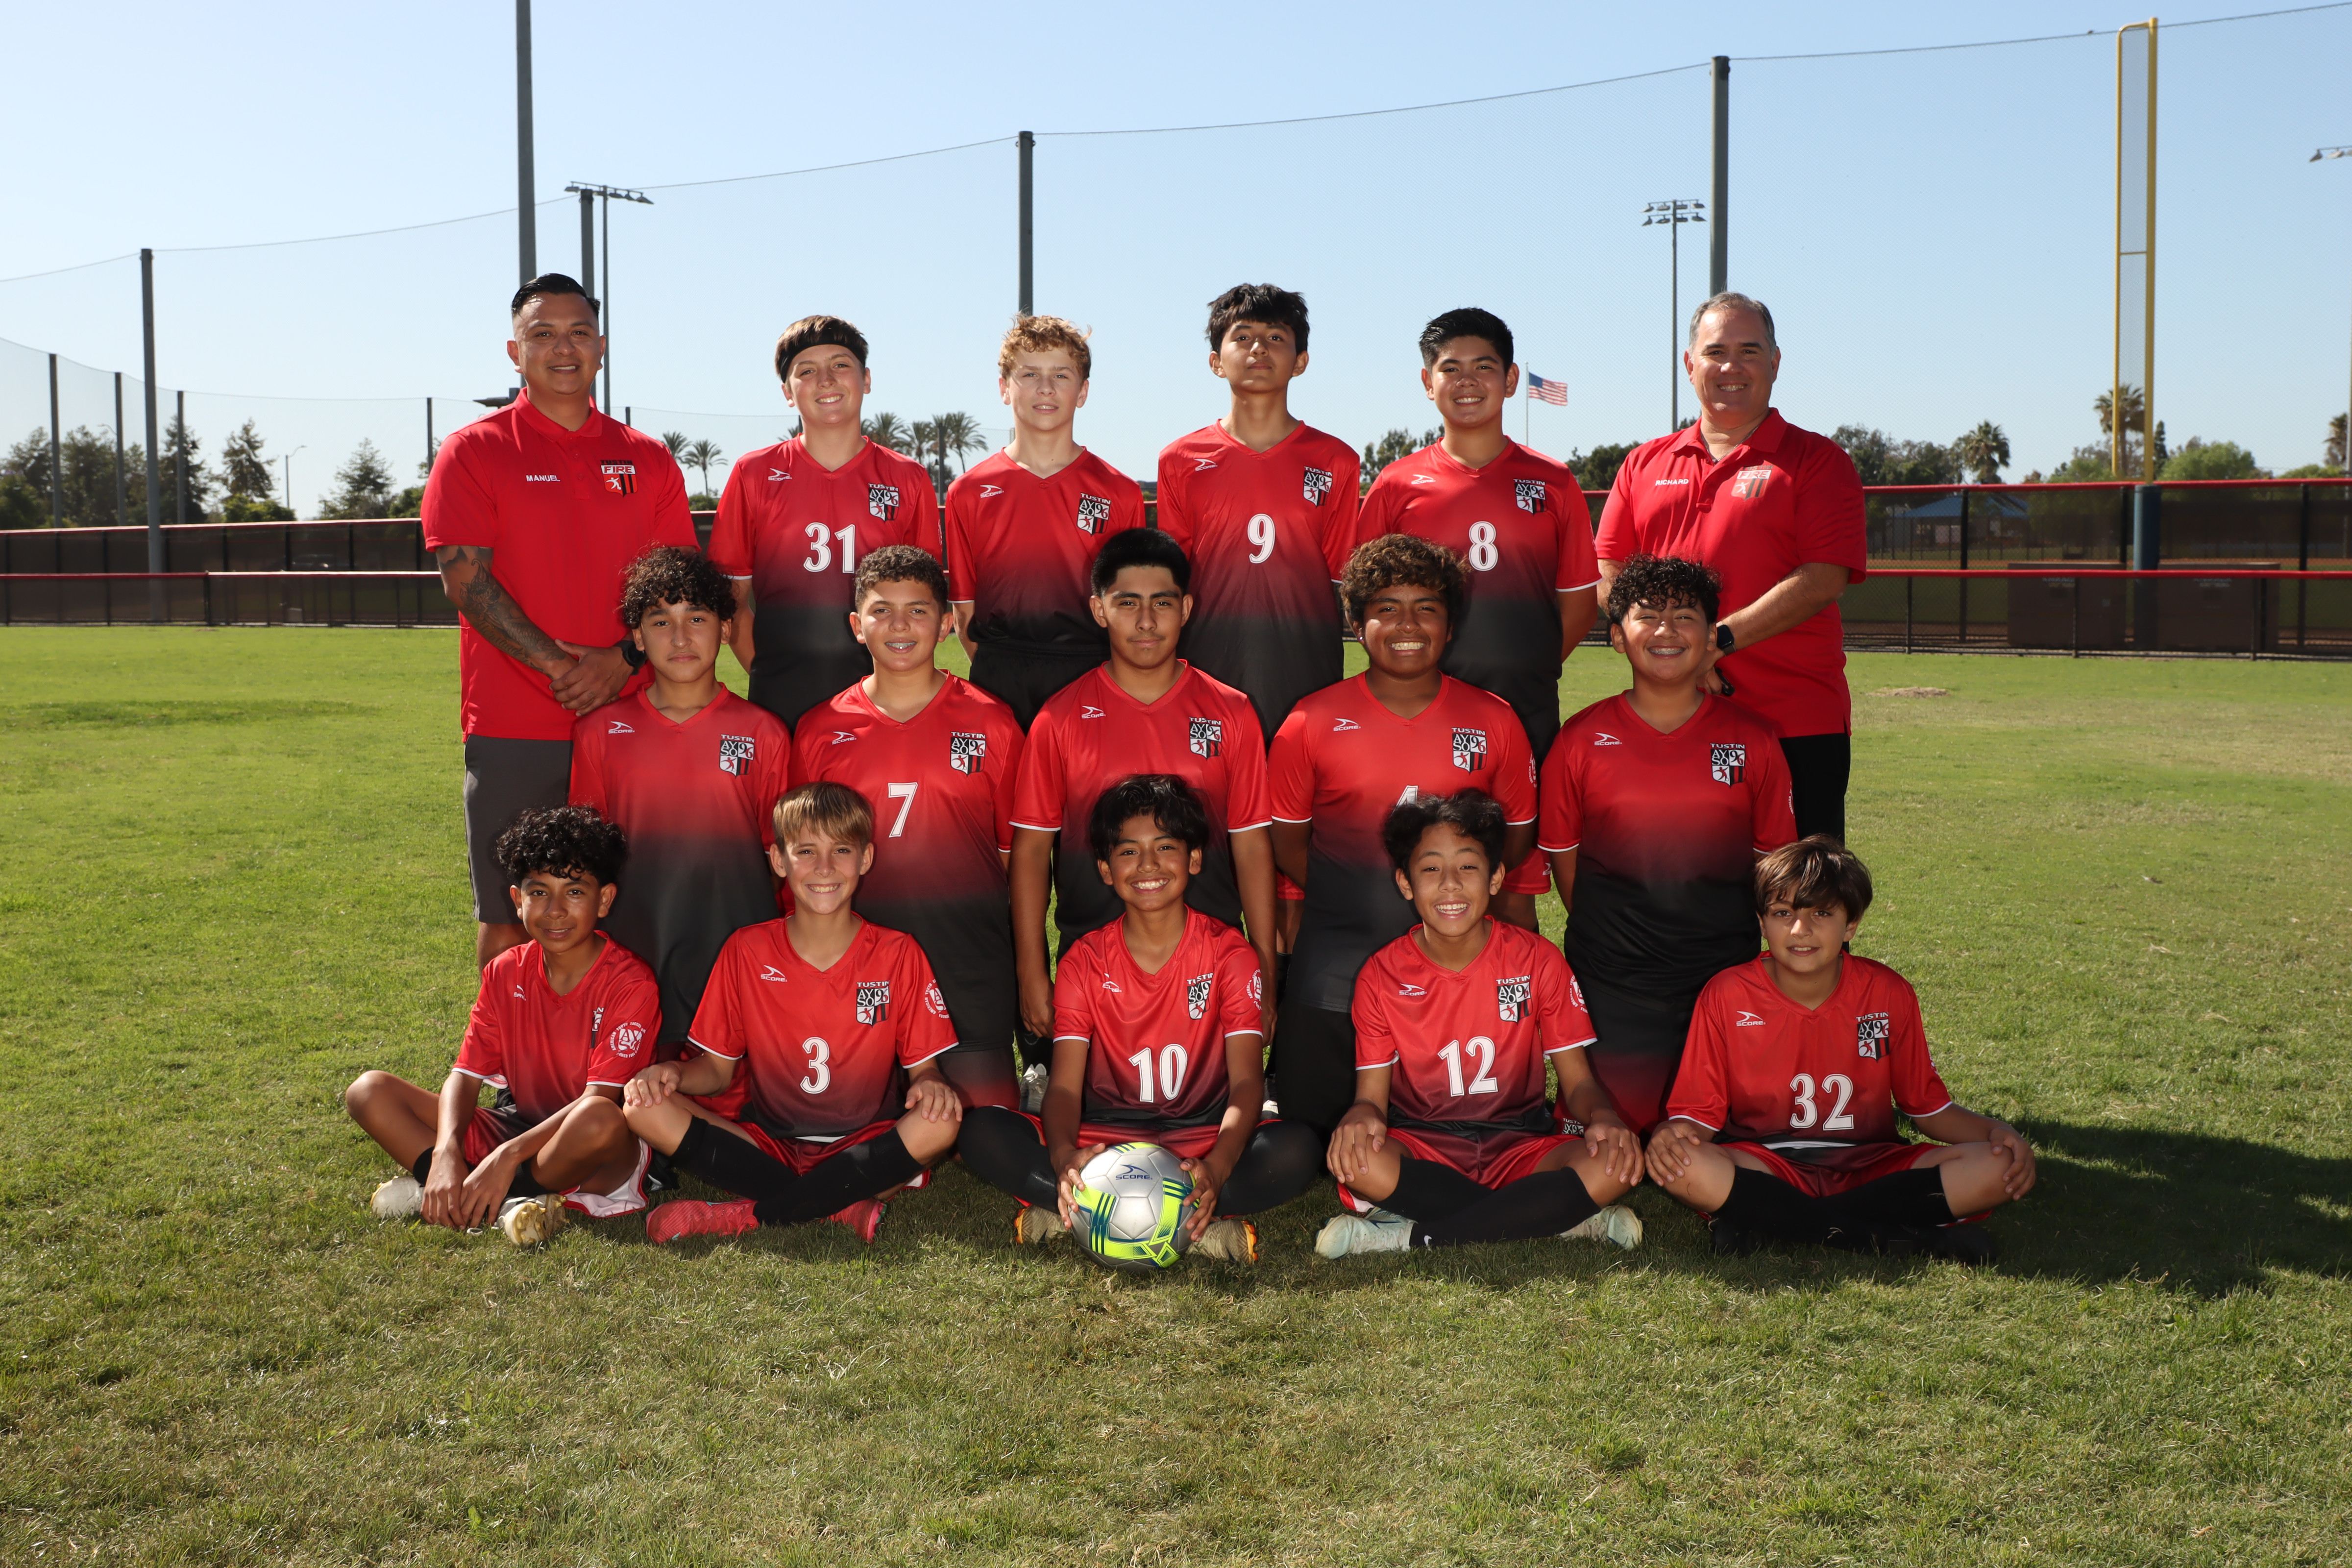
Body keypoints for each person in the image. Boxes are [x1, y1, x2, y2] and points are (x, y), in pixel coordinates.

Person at [424, 273, 697, 969]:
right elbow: (465, 580)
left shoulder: (647, 457)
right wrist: (563, 667)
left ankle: (626, 1042)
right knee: (514, 913)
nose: (563, 348)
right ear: (514, 352)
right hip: (516, 725)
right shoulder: (474, 449)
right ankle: (511, 1046)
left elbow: (679, 584)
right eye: (542, 334)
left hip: (637, 717)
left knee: (637, 907)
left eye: (578, 332)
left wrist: (623, 661)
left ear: (601, 347)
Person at [960, 776, 1322, 1262]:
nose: (1148, 864)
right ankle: (1191, 1223)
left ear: (1194, 859)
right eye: (1128, 851)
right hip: (1105, 1135)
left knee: (1298, 1147)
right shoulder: (1085, 960)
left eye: (1165, 847)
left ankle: (1086, 1213)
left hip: (1200, 1131)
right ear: (1105, 869)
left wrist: (1217, 1166)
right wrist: (1065, 1157)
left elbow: (1245, 1084)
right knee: (981, 1130)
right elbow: (1064, 1089)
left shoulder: (1231, 954)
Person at [1646, 837, 2036, 1263]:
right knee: (1683, 1165)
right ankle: (1896, 1238)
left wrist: (1996, 1131)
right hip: (1768, 1163)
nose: (1801, 930)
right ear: (1762, 923)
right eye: (1783, 913)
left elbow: (1927, 1108)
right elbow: (1699, 1114)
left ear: (1851, 925)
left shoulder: (1887, 993)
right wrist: (1673, 1135)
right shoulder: (1727, 994)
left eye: (1822, 913)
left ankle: (1770, 1220)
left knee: (1999, 1164)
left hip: (1872, 1166)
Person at [1268, 534, 1540, 1135]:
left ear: (1451, 625)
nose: (1408, 624)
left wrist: (1444, 897)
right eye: (1387, 607)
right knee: (1309, 1131)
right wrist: (1359, 889)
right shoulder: (1309, 720)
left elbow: (1514, 843)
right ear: (1357, 623)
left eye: (1427, 608)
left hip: (1455, 967)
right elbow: (1287, 843)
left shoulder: (1494, 719)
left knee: (1460, 1132)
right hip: (1336, 963)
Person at [621, 783, 963, 1245]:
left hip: (865, 1141)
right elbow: (717, 1074)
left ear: (865, 858)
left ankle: (747, 1215)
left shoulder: (898, 953)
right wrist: (673, 1075)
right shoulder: (747, 950)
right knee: (642, 1107)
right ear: (779, 860)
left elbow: (924, 1071)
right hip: (769, 1144)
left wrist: (932, 1084)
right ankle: (838, 1204)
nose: (824, 867)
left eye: (842, 850)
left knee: (942, 1120)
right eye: (806, 851)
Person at [1313, 789, 1643, 1257]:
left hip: (1521, 1142)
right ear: (1405, 883)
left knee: (1614, 1162)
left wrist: (1604, 1117)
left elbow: (1580, 1083)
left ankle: (1405, 1236)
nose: (1450, 884)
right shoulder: (1381, 974)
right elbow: (1372, 1098)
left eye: (1467, 866)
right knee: (1359, 1161)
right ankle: (1558, 1219)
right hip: (1426, 1144)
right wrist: (1361, 1115)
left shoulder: (1537, 960)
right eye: (1431, 869)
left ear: (1496, 878)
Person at [1594, 293, 1869, 842]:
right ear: (1689, 363)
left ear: (1776, 362)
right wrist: (1679, 653)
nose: (1731, 367)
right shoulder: (1643, 463)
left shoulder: (1818, 461)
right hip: (1673, 718)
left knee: (1800, 886)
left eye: (1749, 351)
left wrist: (1713, 643)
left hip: (1796, 721)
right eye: (1716, 351)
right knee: (1688, 878)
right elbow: (1609, 575)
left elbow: (1824, 577)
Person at [1539, 554, 1798, 1133]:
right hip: (1614, 979)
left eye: (1685, 616)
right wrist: (1619, 936)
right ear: (1617, 636)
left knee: (1725, 1135)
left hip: (1720, 975)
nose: (1667, 630)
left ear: (1710, 636)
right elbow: (1566, 864)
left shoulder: (1754, 739)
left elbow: (1773, 866)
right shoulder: (1580, 741)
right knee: (1612, 1137)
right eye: (1649, 615)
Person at [1010, 528, 1277, 1057]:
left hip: (1210, 963)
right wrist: (1031, 970)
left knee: (1213, 1102)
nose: (1148, 621)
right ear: (1099, 609)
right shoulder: (1059, 718)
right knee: (1091, 1103)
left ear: (1187, 609)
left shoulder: (1232, 711)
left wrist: (1264, 968)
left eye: (1163, 603)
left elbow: (1251, 843)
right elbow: (1032, 851)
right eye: (1128, 603)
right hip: (1093, 962)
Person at [346, 806, 656, 1247]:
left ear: (604, 899)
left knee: (599, 1119)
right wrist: (446, 1152)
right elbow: (466, 1074)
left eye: (574, 892)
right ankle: (486, 1194)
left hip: (589, 1149)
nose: (555, 911)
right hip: (519, 1125)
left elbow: (600, 1099)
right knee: (369, 1091)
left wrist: (506, 1158)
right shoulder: (506, 970)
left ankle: (478, 1195)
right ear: (517, 900)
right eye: (539, 892)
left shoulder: (631, 983)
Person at [793, 545, 1027, 1111]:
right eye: (882, 611)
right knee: (855, 1123)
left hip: (967, 956)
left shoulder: (993, 722)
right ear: (857, 625)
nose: (900, 625)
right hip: (860, 959)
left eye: (918, 610)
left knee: (990, 1124)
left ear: (946, 623)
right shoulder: (821, 729)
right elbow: (804, 864)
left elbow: (1014, 856)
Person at [568, 546, 792, 1054]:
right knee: (643, 1089)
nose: (681, 637)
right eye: (660, 621)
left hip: (736, 959)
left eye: (697, 618)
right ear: (637, 637)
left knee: (731, 1088)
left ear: (726, 629)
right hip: (636, 957)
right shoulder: (600, 732)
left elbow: (781, 861)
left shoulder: (764, 733)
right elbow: (589, 864)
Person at [1356, 306, 1600, 763]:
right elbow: (1364, 603)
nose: (1466, 381)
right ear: (1428, 383)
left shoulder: (1554, 481)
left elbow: (1581, 606)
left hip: (1526, 707)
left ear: (1510, 380)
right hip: (1423, 708)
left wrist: (1526, 664)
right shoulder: (1395, 484)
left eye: (1484, 367)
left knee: (1523, 811)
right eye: (1450, 369)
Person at [707, 315, 945, 731]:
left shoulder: (908, 478)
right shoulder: (754, 474)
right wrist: (769, 673)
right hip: (781, 701)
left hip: (881, 706)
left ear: (866, 379)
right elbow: (732, 603)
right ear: (787, 392)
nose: (826, 379)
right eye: (806, 371)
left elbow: (925, 603)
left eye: (840, 365)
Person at [1154, 283, 1361, 745]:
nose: (1258, 348)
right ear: (1216, 361)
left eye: (1275, 337)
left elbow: (1341, 578)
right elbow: (1172, 581)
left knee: (1299, 789)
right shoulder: (1180, 460)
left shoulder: (1337, 461)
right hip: (1207, 669)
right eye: (1243, 336)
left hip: (1306, 670)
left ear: (1300, 361)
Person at [944, 315, 1146, 727]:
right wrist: (1006, 670)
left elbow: (1128, 604)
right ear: (1004, 388)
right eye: (1030, 374)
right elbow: (965, 614)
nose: (1046, 387)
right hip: (1000, 676)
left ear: (1083, 391)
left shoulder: (1119, 492)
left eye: (1061, 375)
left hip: (1091, 672)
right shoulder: (968, 491)